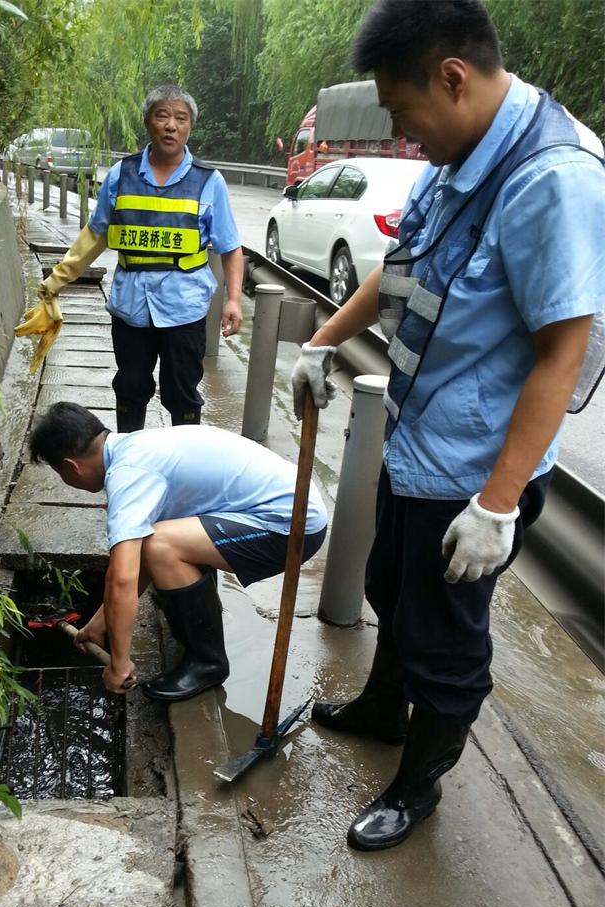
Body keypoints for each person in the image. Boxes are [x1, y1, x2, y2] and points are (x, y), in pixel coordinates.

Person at [291, 0, 605, 852]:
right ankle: (383, 709)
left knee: (446, 641)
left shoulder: (552, 179)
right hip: (417, 439)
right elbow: (401, 269)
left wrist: (497, 504)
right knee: (391, 588)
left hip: (474, 471)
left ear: (453, 78)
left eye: (404, 113)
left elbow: (562, 355)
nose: (403, 134)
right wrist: (323, 341)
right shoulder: (459, 154)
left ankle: (418, 785)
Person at [28, 402, 328, 698]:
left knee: (159, 545)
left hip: (290, 526)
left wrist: (119, 663)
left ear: (71, 466)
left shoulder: (129, 474)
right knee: (157, 541)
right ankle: (200, 623)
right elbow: (135, 566)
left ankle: (207, 662)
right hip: (288, 506)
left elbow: (122, 578)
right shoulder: (135, 447)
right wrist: (99, 624)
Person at [17, 85, 244, 430]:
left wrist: (234, 300)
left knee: (182, 394)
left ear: (190, 127)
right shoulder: (121, 175)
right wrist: (55, 282)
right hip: (131, 307)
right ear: (148, 122)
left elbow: (230, 247)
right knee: (129, 388)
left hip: (184, 307)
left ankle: (184, 458)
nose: (171, 125)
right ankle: (129, 454)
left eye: (180, 118)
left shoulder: (209, 182)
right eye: (162, 116)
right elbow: (95, 235)